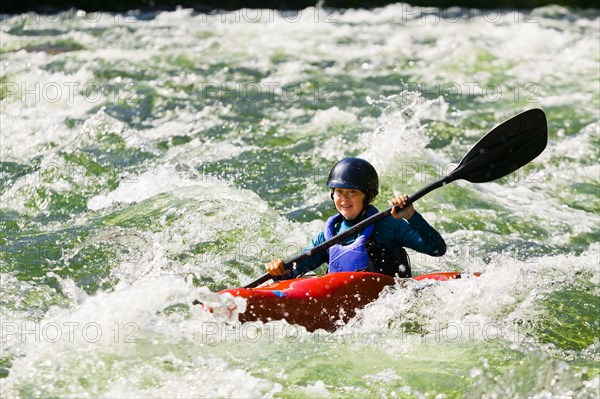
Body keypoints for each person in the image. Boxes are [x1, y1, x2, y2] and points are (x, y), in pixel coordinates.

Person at [265, 157, 446, 279]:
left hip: (389, 302)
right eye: (339, 192)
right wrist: (279, 270)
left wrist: (411, 216)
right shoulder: (329, 235)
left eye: (352, 192)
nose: (344, 199)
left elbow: (437, 249)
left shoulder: (388, 226)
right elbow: (294, 271)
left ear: (369, 196)